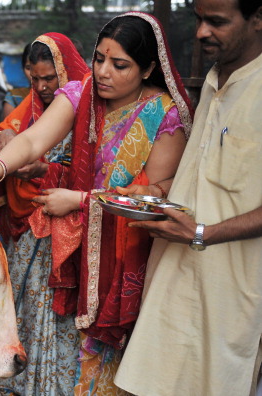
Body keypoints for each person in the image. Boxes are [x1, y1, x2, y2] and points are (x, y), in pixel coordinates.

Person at [0, 12, 193, 395]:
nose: (103, 72)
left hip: (118, 260)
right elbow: (33, 141)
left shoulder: (163, 116)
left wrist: (81, 200)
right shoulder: (82, 93)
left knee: (96, 367)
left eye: (119, 65)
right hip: (66, 254)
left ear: (149, 67)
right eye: (99, 58)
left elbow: (154, 195)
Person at [113, 2, 262, 395]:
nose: (200, 33)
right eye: (198, 19)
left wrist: (202, 232)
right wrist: (154, 194)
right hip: (171, 277)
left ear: (258, 18)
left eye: (216, 22)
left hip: (230, 297)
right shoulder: (214, 80)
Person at [0, 32, 89, 396]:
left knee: (55, 314)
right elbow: (10, 134)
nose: (44, 87)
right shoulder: (34, 103)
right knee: (25, 308)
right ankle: (19, 384)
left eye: (51, 78)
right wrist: (5, 146)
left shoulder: (82, 102)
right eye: (36, 79)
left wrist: (45, 170)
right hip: (29, 228)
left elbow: (91, 171)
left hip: (68, 229)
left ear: (65, 69)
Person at [2, 42, 32, 119]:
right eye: (28, 68)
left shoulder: (60, 99)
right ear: (22, 68)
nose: (33, 73)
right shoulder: (14, 98)